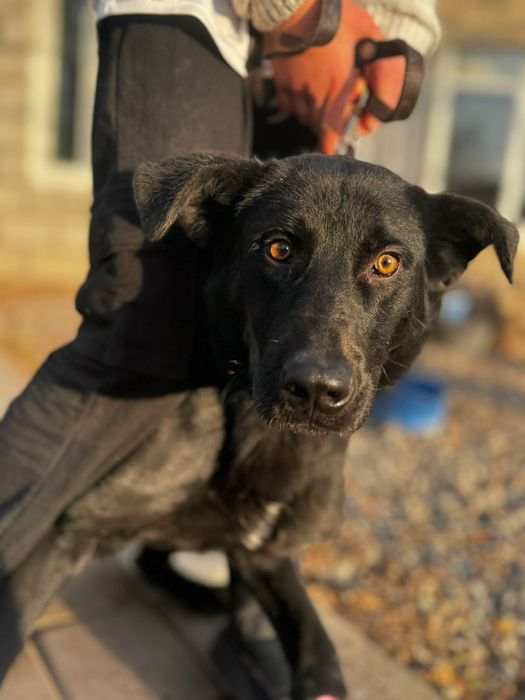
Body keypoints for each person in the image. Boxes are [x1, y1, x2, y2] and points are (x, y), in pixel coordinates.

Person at [0, 0, 440, 681]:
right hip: (202, 14)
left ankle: (249, 605)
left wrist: (398, 33)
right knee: (141, 321)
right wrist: (304, 13)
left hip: (345, 47)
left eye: (386, 265)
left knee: (317, 264)